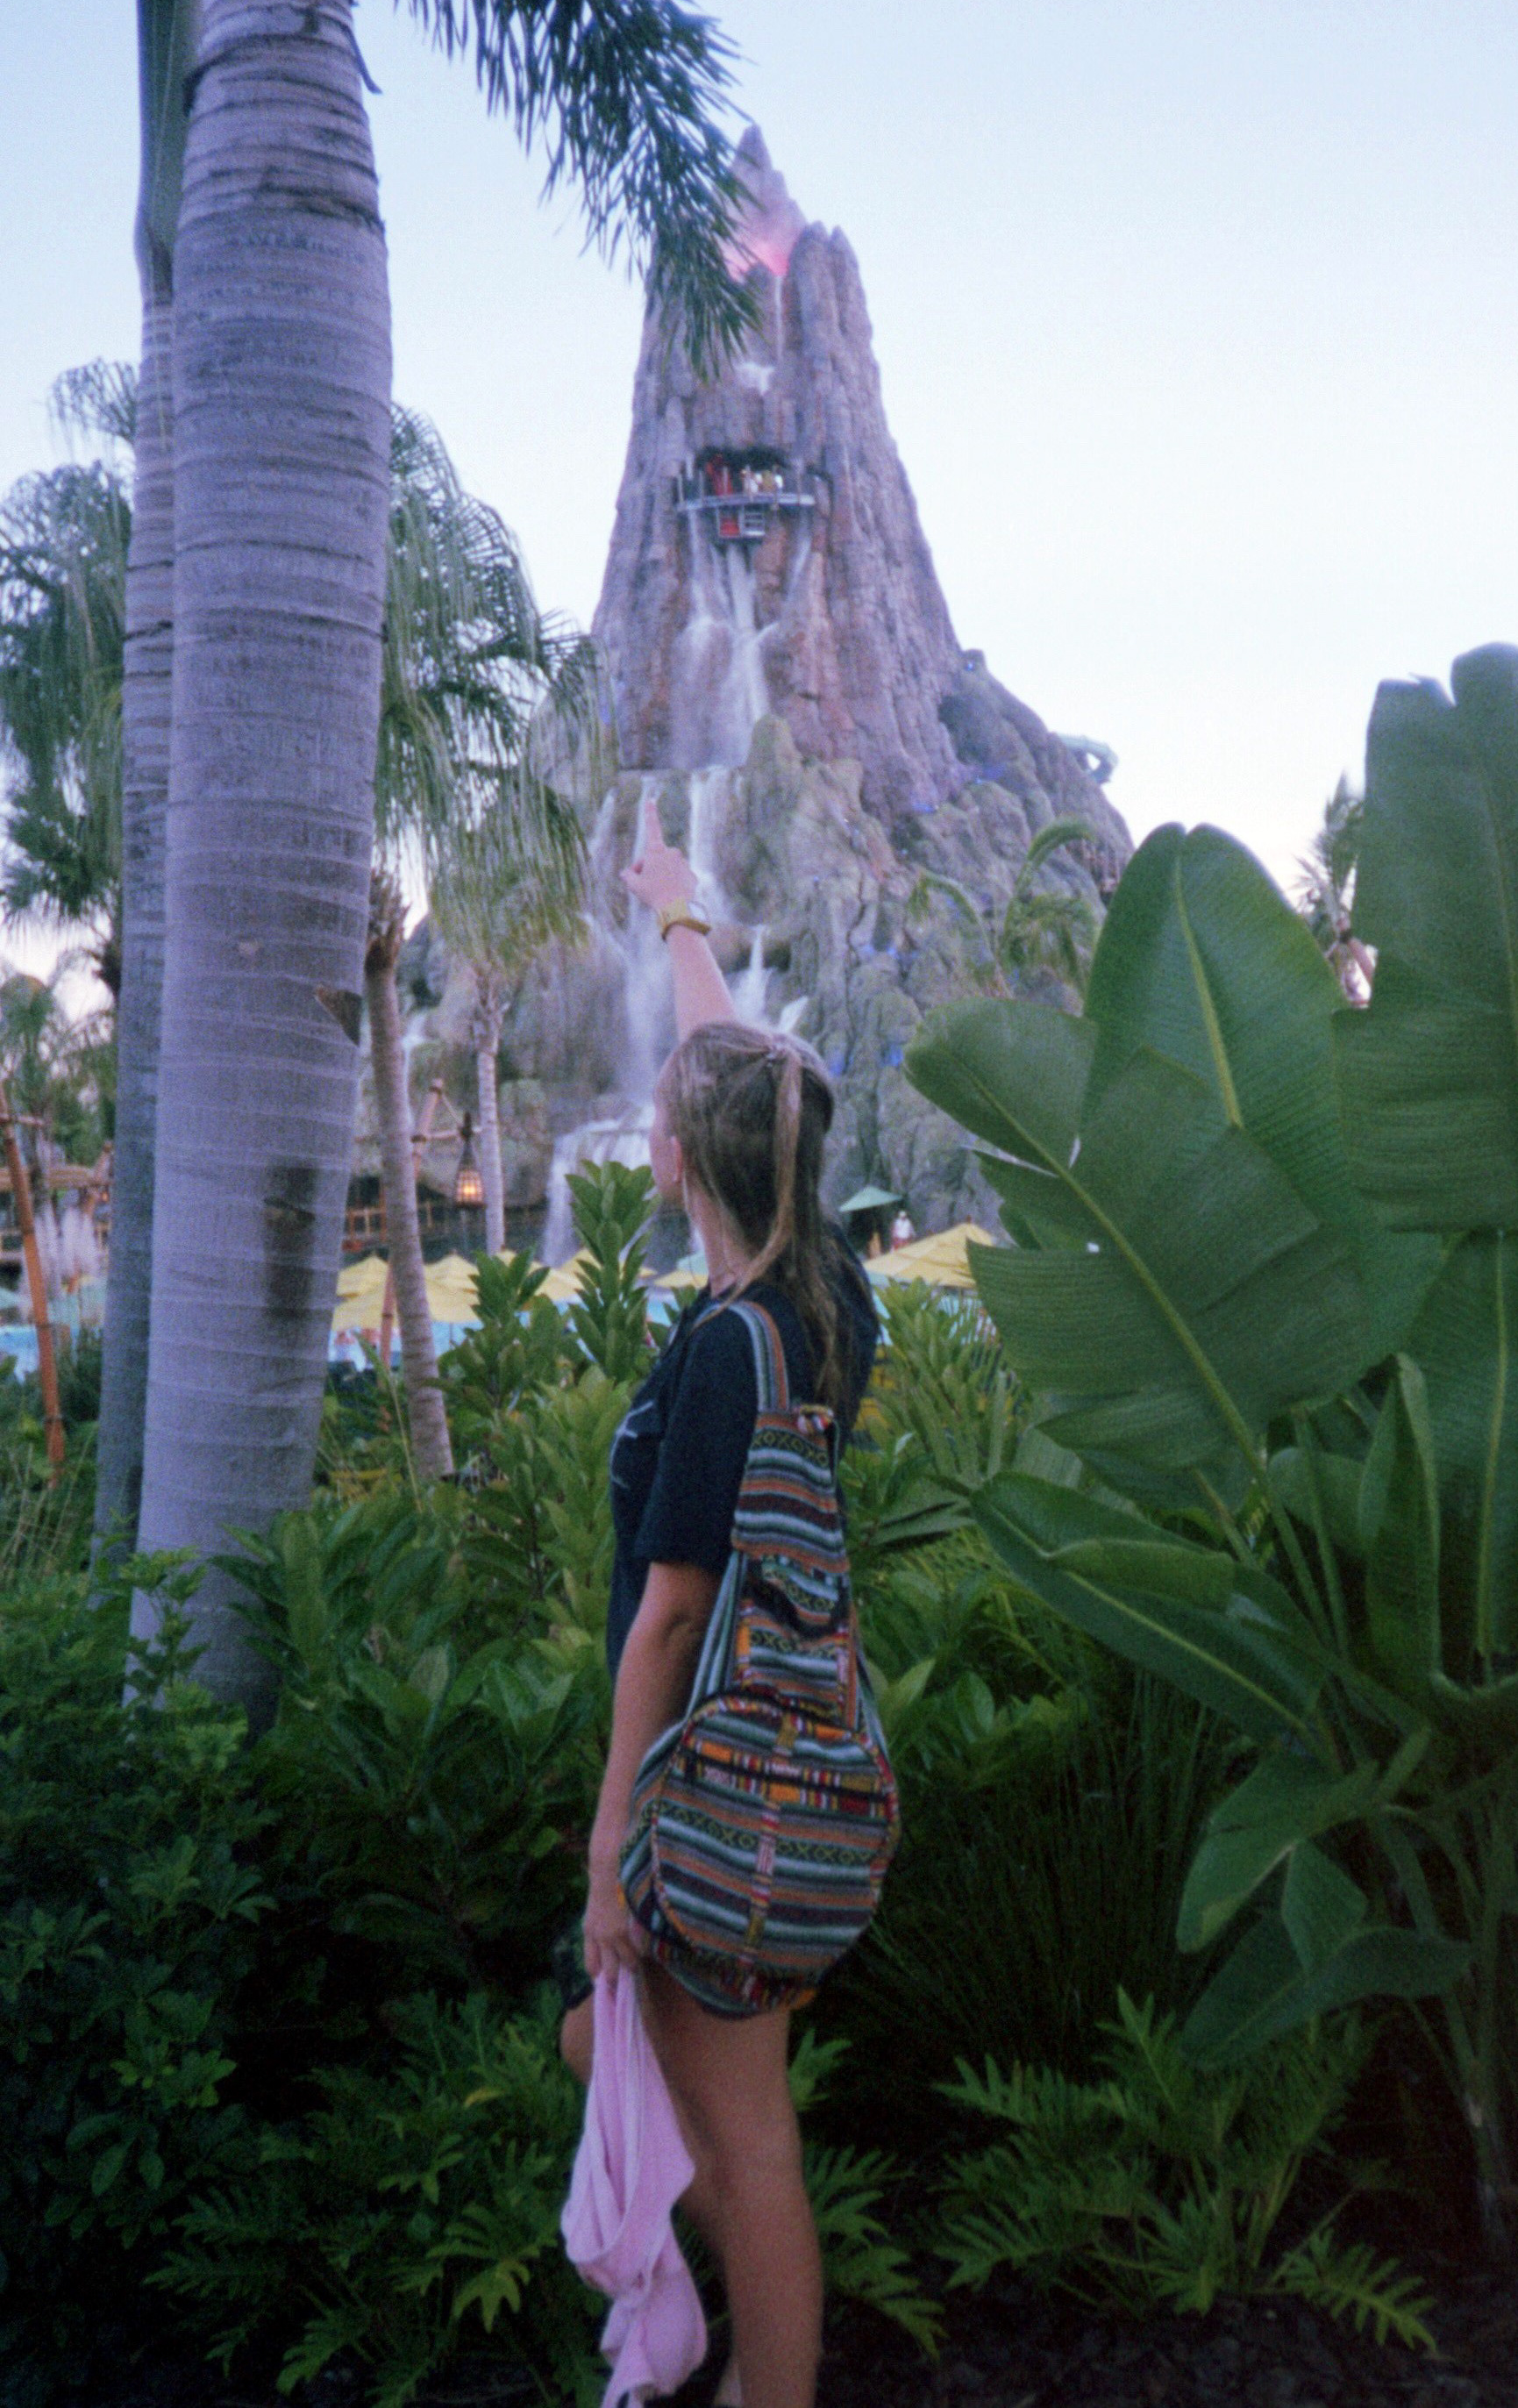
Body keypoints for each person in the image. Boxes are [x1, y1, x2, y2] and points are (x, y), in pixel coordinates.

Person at [559, 802, 880, 2408]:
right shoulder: (824, 1299)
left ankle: (767, 2383)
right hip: (779, 1754)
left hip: (708, 1779)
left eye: (667, 1115)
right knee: (612, 2049)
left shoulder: (719, 1357)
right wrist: (680, 914)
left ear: (684, 1161)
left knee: (748, 2146)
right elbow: (756, 1084)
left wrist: (611, 1846)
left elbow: (669, 1620)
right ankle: (717, 2330)